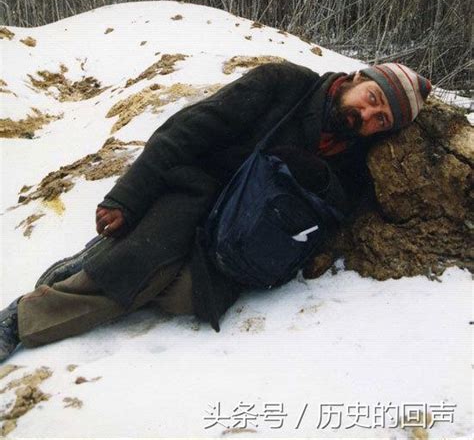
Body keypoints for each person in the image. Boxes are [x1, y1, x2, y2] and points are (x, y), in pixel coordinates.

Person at [0, 61, 431, 362]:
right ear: (356, 78)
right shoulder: (283, 84)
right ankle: (22, 321)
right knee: (138, 270)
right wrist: (126, 198)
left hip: (236, 239)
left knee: (184, 296)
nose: (369, 114)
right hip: (195, 192)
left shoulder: (358, 157)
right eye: (372, 97)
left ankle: (102, 258)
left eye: (381, 118)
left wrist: (320, 179)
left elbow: (340, 209)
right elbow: (184, 132)